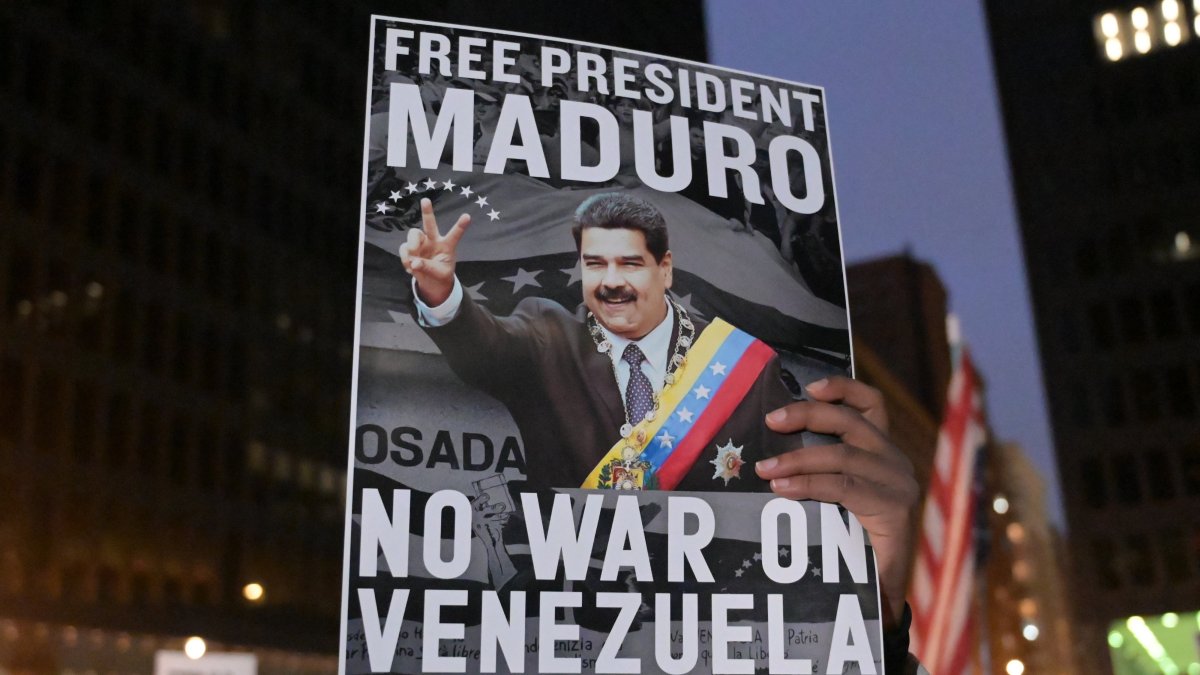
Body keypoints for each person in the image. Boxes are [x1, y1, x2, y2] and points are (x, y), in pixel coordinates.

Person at [399, 192, 919, 669]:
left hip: (706, 636)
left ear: (665, 269)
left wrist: (878, 604)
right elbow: (485, 349)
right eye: (595, 263)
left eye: (629, 263)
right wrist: (442, 295)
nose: (611, 281)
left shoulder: (742, 368)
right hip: (574, 628)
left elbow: (776, 517)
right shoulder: (548, 334)